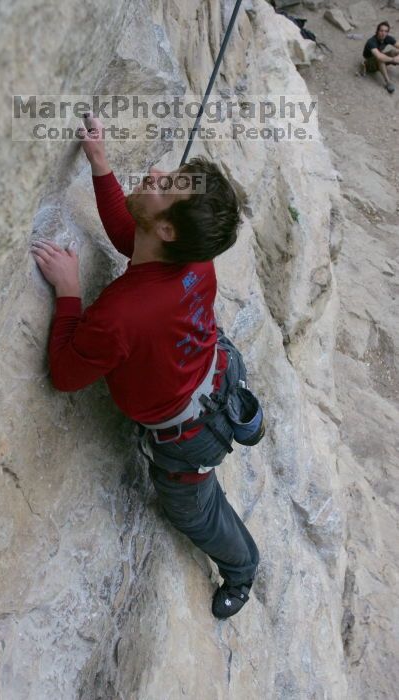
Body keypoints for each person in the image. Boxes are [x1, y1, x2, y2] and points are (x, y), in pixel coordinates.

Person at [30, 114, 260, 620]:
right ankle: (248, 419)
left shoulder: (120, 314)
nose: (154, 172)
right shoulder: (194, 256)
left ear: (167, 229)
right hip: (212, 369)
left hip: (188, 435)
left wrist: (69, 292)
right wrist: (100, 164)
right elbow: (132, 235)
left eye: (166, 185)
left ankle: (243, 570)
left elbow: (66, 374)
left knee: (193, 512)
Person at [362, 21, 399, 93]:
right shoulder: (371, 41)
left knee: (394, 52)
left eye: (386, 31)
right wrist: (394, 60)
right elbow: (379, 56)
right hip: (369, 64)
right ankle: (388, 82)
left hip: (379, 57)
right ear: (377, 31)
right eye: (381, 30)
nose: (383, 33)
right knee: (380, 59)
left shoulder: (387, 38)